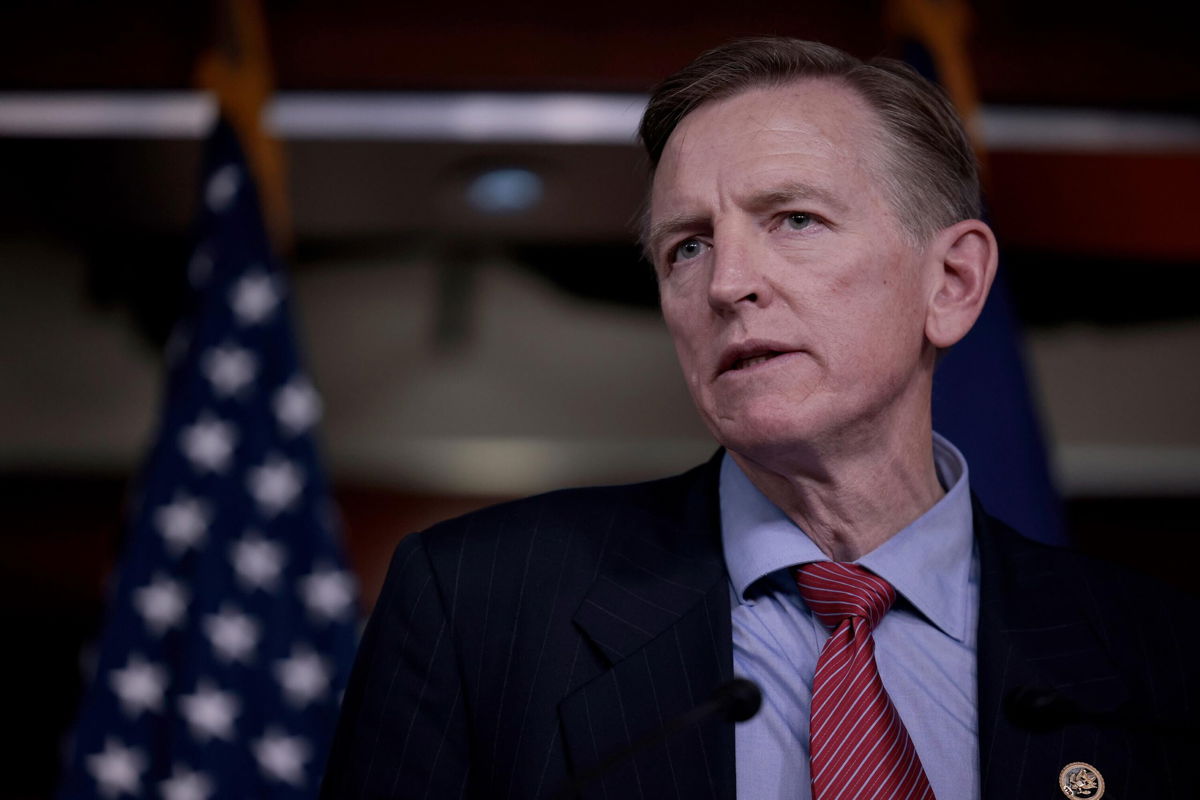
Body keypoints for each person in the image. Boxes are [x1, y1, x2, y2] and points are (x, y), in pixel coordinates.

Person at [321, 38, 1198, 800]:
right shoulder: (480, 605)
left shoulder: (1153, 651)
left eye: (795, 219)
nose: (727, 283)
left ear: (953, 283)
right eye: (687, 246)